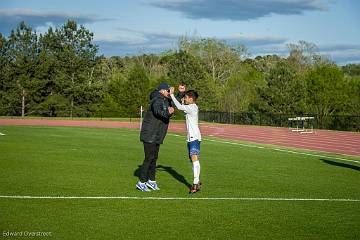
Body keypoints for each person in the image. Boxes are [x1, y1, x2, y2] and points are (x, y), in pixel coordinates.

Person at [136, 83, 185, 192]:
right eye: (168, 91)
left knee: (154, 158)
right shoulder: (157, 100)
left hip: (156, 134)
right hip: (150, 134)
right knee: (149, 158)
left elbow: (175, 100)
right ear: (162, 91)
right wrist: (168, 112)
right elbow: (159, 112)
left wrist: (181, 92)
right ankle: (141, 182)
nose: (169, 93)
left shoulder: (164, 99)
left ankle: (151, 181)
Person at [169, 87, 202, 193]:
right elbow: (182, 107)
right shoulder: (191, 107)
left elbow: (178, 106)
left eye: (186, 97)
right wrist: (183, 103)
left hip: (194, 137)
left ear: (191, 99)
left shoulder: (191, 107)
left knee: (194, 158)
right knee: (192, 160)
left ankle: (196, 183)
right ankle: (197, 180)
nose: (185, 99)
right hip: (191, 137)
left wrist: (172, 95)